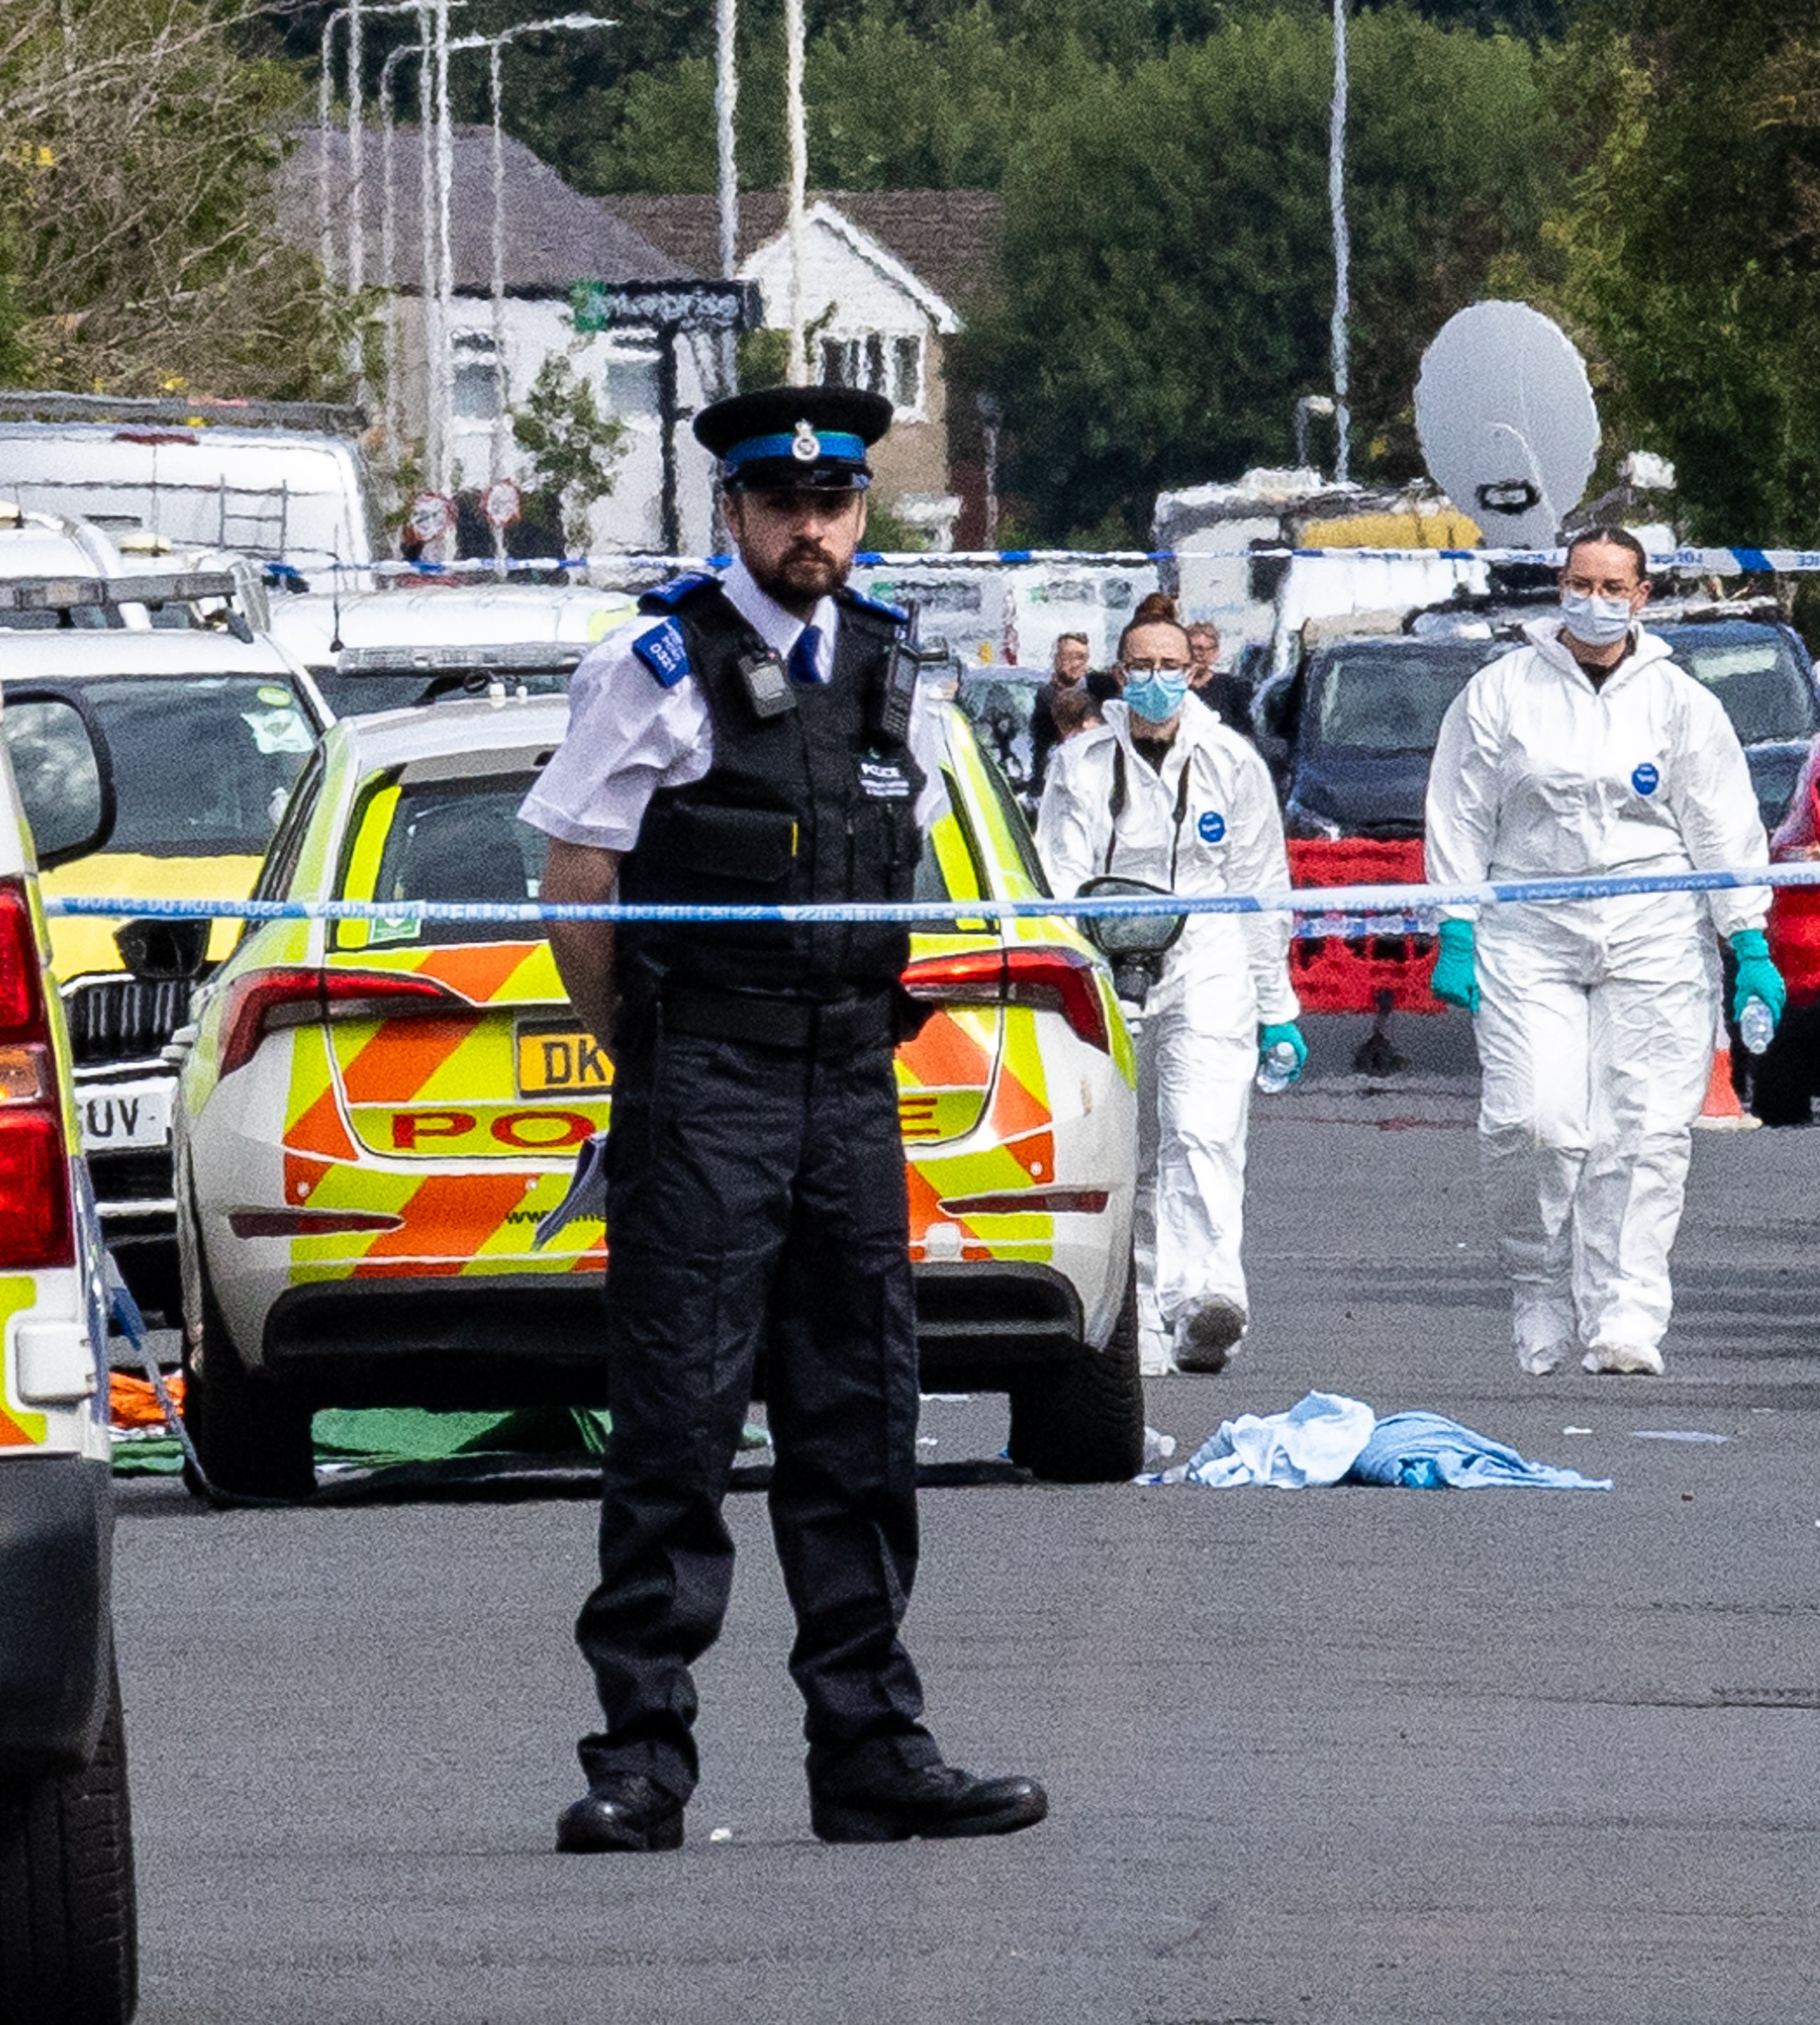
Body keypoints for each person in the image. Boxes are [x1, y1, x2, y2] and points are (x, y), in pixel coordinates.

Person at [524, 385, 1047, 1852]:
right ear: (736, 514)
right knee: (678, 1427)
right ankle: (639, 1759)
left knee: (859, 1419)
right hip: (708, 1083)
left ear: (861, 514)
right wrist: (637, 1044)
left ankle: (871, 1747)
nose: (807, 526)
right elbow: (579, 883)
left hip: (848, 1088)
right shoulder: (656, 664)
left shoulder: (896, 667)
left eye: (831, 504)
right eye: (778, 504)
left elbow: (915, 867)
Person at [1422, 526, 1783, 1378]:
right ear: (1559, 585)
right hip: (1527, 925)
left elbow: (1722, 825)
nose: (1594, 599)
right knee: (1533, 1120)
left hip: (1654, 927)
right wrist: (1456, 924)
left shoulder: (1679, 702)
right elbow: (1461, 812)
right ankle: (1538, 1283)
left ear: (1641, 596)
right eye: (1581, 581)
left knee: (1645, 1129)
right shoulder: (1499, 692)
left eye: (1613, 585)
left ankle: (1624, 1313)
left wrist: (1748, 941)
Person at [1037, 593, 1305, 1377]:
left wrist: (1274, 1006)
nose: (1155, 681)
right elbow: (1058, 877)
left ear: (1196, 671)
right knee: (1127, 1141)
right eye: (1141, 667)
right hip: (1107, 951)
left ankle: (1206, 1297)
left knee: (1202, 1130)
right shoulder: (1080, 763)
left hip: (1207, 953)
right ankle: (1140, 1312)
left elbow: (1263, 886)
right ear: (1119, 674)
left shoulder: (1231, 763)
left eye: (1170, 667)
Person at [1029, 630, 1102, 775]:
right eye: (1069, 657)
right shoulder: (1046, 697)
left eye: (1081, 658)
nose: (1076, 664)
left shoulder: (1095, 695)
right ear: (1056, 659)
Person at [1186, 619, 1259, 740]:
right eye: (1194, 648)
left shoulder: (1234, 687)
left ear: (1215, 653)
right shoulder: (1175, 687)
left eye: (1205, 649)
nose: (1199, 654)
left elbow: (1246, 732)